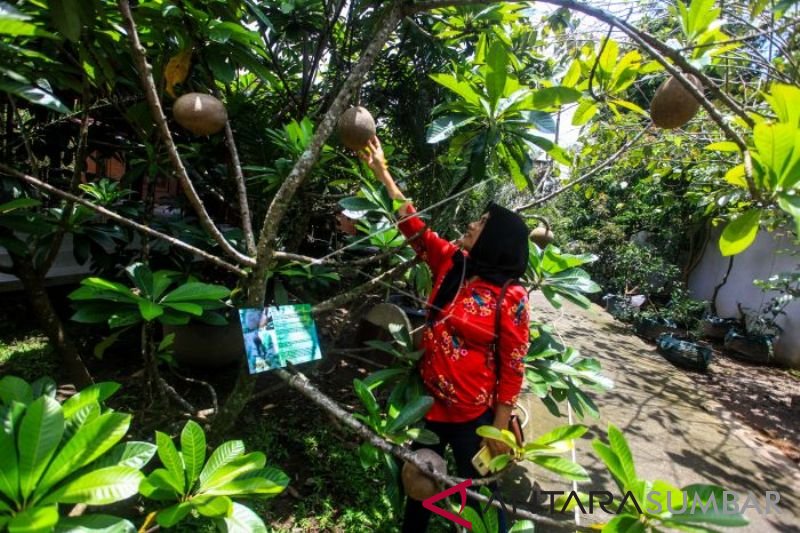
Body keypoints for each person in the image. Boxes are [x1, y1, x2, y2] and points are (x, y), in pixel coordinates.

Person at [359, 136, 531, 532]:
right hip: (429, 408)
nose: (472, 225)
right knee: (419, 484)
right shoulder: (452, 261)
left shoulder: (511, 296)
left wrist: (500, 428)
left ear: (498, 241)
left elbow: (514, 367)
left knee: (485, 498)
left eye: (482, 223)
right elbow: (414, 227)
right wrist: (381, 172)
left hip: (475, 417)